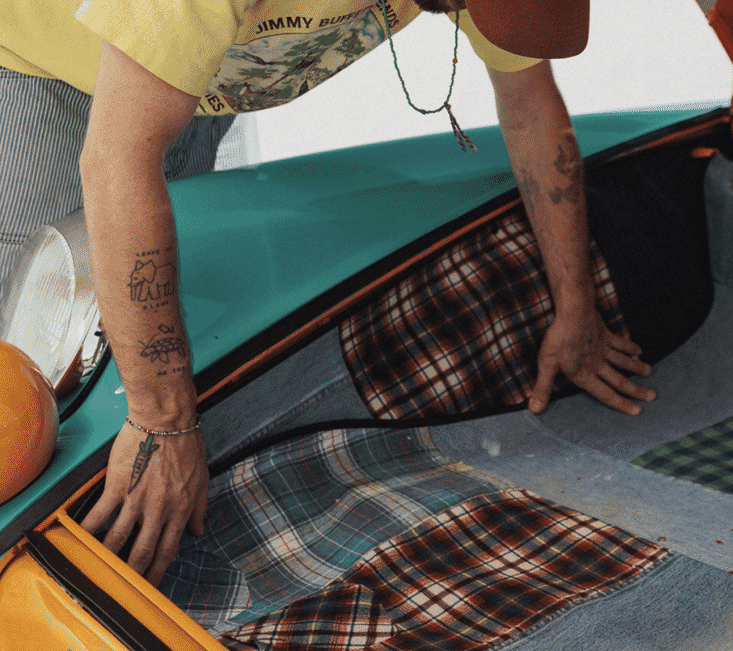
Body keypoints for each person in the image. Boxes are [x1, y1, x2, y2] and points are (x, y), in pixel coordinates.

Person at [0, 0, 656, 586]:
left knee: (127, 336)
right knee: (36, 394)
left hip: (189, 84)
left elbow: (530, 104)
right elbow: (115, 158)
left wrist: (576, 309)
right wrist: (161, 420)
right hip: (48, 72)